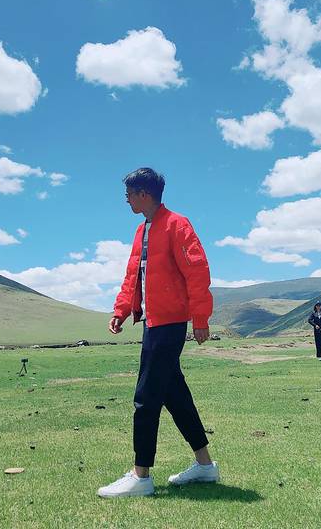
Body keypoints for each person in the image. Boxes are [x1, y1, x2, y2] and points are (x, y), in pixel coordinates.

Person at [98, 168, 219, 498]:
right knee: (174, 395)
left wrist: (200, 318)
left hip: (170, 323)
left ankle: (141, 476)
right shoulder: (142, 230)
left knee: (146, 396)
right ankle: (205, 465)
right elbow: (132, 276)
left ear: (144, 194)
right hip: (152, 322)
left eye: (129, 194)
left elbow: (197, 271)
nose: (126, 200)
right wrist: (122, 310)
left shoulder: (177, 224)